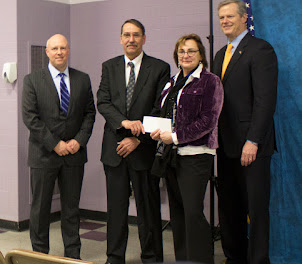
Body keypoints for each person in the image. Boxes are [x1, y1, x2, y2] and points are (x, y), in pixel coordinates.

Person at [97, 19, 170, 264]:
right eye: (127, 35)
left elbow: (161, 109)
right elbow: (103, 102)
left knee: (148, 210)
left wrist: (138, 140)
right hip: (115, 150)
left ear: (144, 38)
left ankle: (151, 258)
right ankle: (114, 257)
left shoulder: (159, 68)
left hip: (144, 150)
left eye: (136, 35)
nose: (131, 39)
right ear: (120, 38)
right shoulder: (109, 67)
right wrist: (124, 124)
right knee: (115, 211)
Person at [213, 0, 278, 264]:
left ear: (243, 18)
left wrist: (253, 140)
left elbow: (265, 101)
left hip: (252, 147)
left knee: (256, 209)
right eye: (221, 18)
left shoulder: (260, 50)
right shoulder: (219, 54)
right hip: (225, 146)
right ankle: (234, 258)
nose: (225, 21)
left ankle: (259, 260)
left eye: (229, 16)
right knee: (230, 209)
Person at [151, 34, 224, 264]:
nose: (186, 55)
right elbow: (165, 114)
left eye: (191, 51)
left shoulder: (210, 81)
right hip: (172, 156)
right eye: (182, 51)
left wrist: (175, 136)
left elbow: (208, 121)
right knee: (178, 215)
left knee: (193, 214)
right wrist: (157, 130)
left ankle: (201, 260)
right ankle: (183, 260)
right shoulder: (172, 82)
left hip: (196, 155)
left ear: (201, 54)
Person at [22, 34, 96, 259]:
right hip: (43, 155)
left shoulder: (82, 79)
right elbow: (30, 118)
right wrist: (55, 144)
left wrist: (78, 141)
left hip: (74, 155)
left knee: (71, 210)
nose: (59, 52)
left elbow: (89, 114)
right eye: (54, 48)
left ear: (68, 50)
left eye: (63, 48)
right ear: (47, 52)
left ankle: (73, 256)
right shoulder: (32, 80)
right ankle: (39, 256)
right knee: (40, 210)